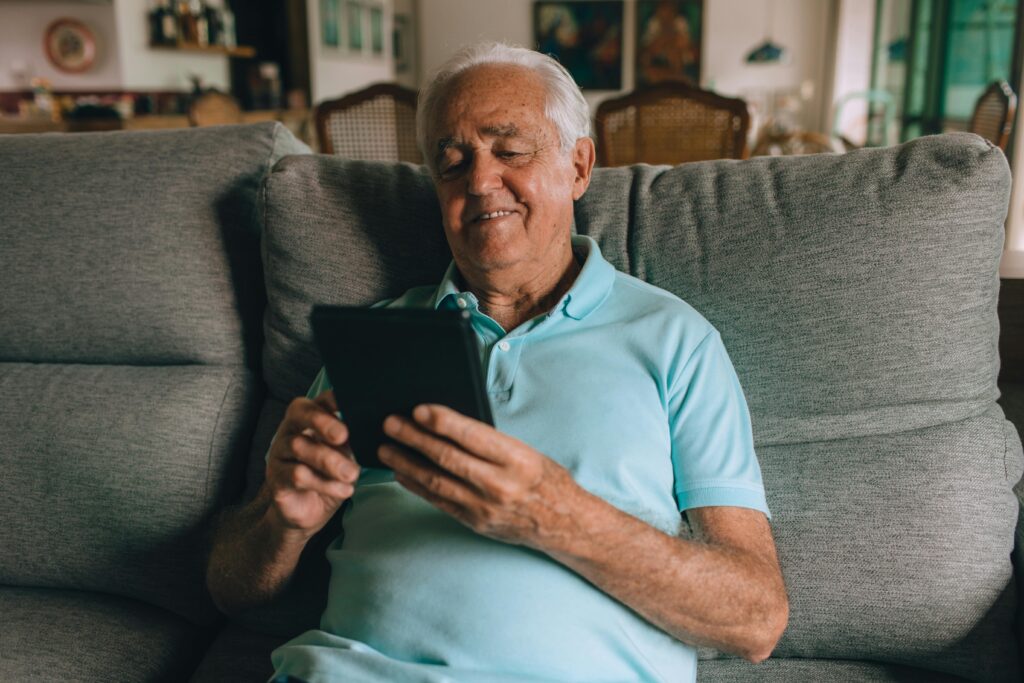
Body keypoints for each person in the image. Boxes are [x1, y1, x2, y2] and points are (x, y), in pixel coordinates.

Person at [207, 41, 788, 683]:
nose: (481, 183)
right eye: (452, 164)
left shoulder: (674, 339)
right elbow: (232, 588)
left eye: (510, 151)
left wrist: (557, 517)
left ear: (578, 165)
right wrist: (280, 520)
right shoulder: (374, 337)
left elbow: (757, 620)